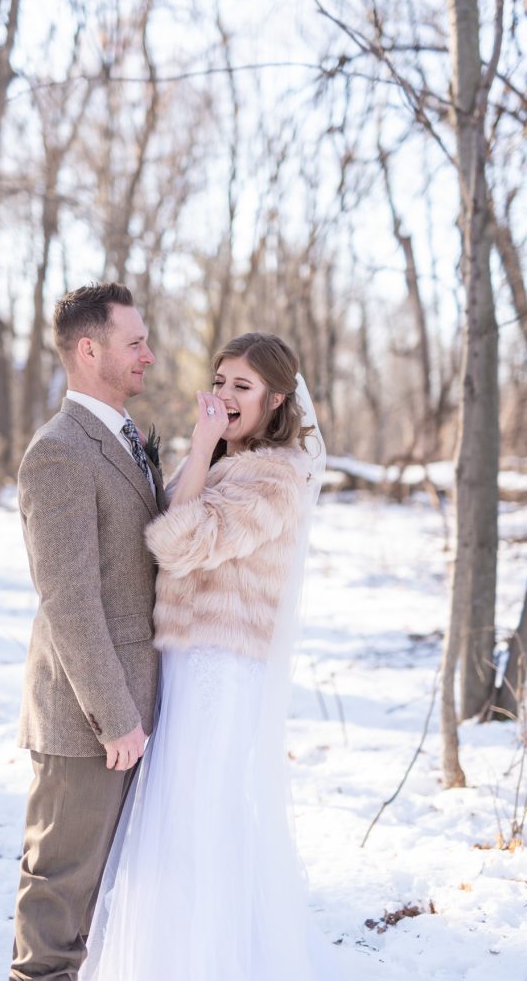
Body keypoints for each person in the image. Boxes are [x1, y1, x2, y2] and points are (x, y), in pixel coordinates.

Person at [80, 332, 345, 981]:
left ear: (276, 398)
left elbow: (179, 543)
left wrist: (198, 447)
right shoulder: (231, 462)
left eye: (243, 387)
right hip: (185, 659)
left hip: (221, 668)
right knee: (170, 815)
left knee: (197, 816)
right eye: (221, 381)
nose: (225, 396)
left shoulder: (279, 473)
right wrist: (202, 455)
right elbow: (171, 519)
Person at [10, 282, 166, 981]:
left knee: (103, 902)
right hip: (88, 720)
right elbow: (70, 600)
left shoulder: (124, 438)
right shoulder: (61, 452)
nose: (149, 355)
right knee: (58, 903)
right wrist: (114, 718)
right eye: (135, 343)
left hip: (134, 706)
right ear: (88, 349)